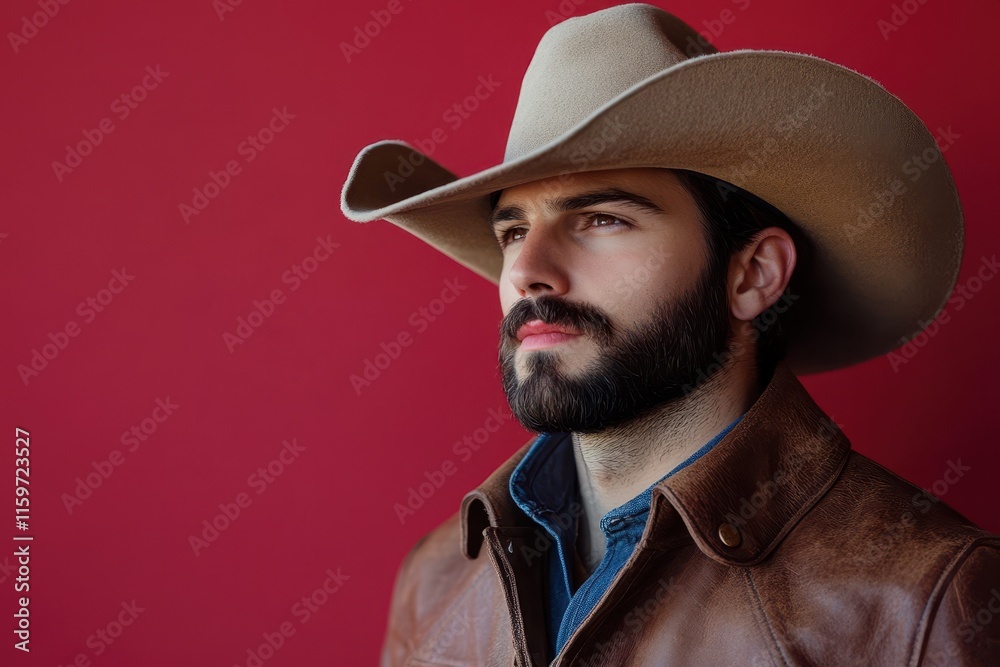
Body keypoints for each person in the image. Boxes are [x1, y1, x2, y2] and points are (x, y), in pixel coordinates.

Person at [341, 4, 1000, 665]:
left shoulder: (925, 601)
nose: (527, 272)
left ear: (751, 275)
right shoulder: (437, 580)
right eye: (512, 231)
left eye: (600, 219)